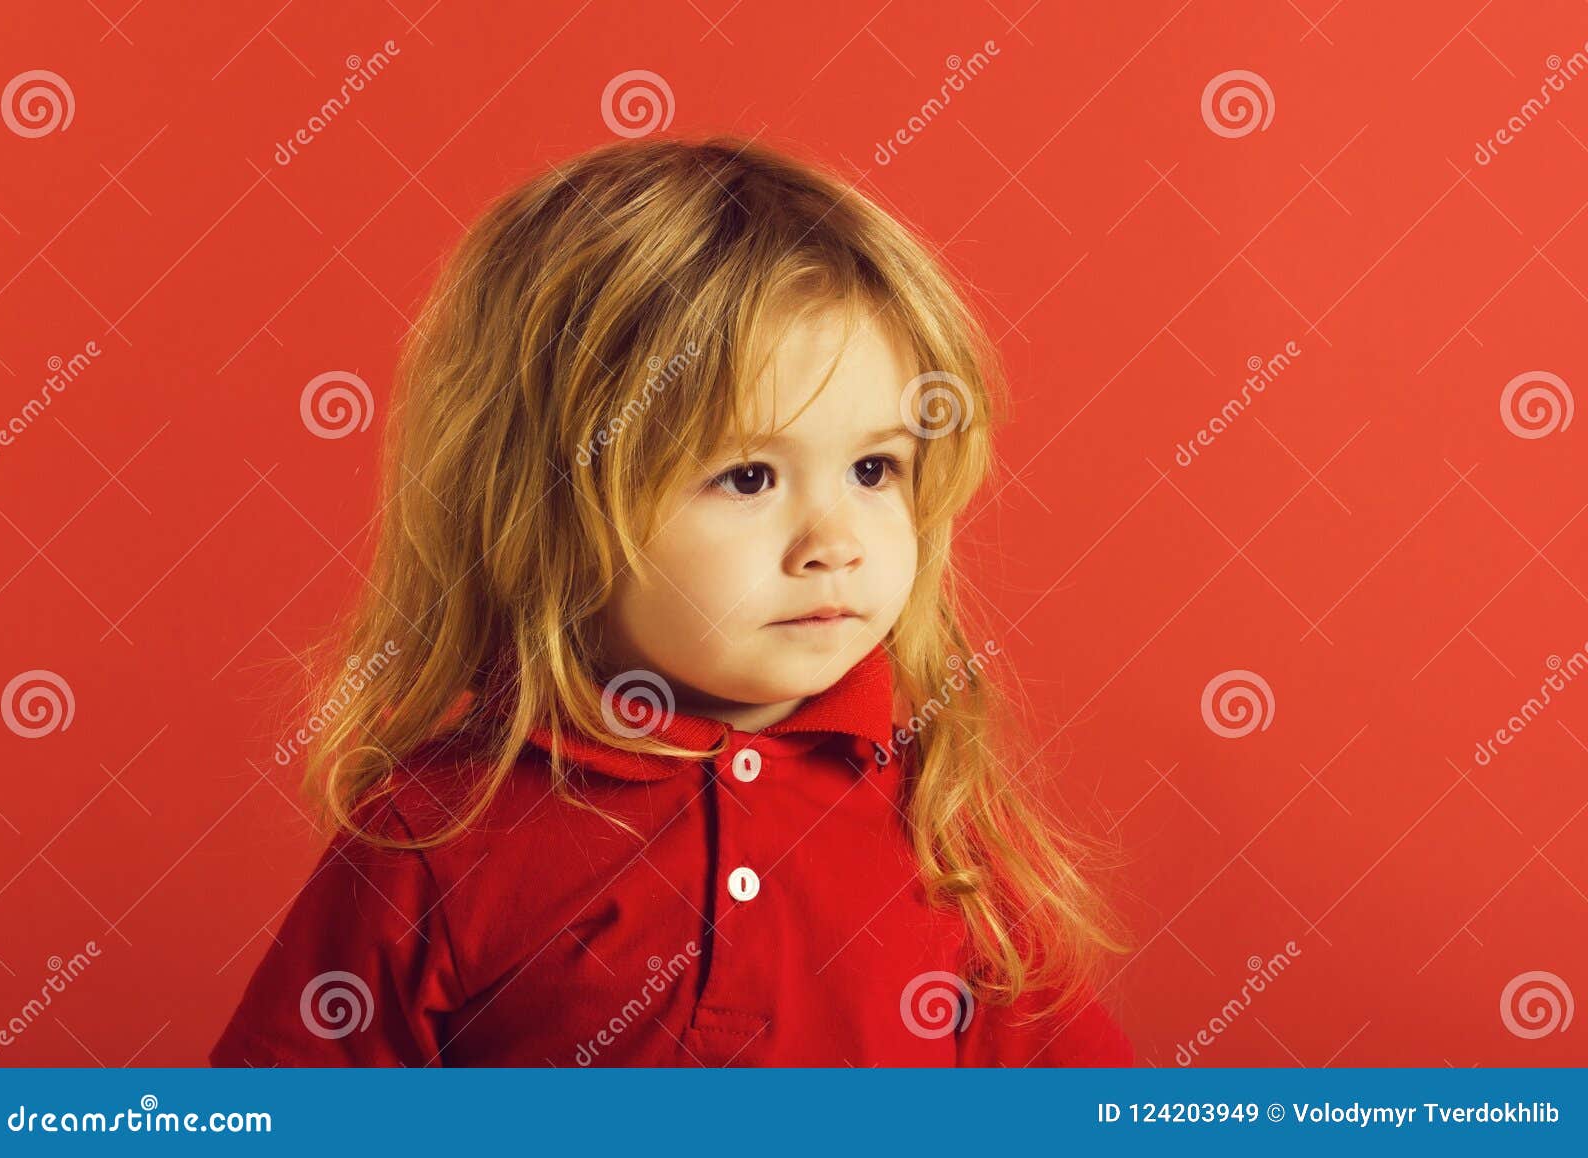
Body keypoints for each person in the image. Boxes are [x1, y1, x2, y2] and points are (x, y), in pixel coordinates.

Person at [209, 134, 1136, 1067]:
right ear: (550, 508)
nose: (835, 544)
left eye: (872, 467)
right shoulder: (438, 831)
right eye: (746, 476)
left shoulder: (942, 812)